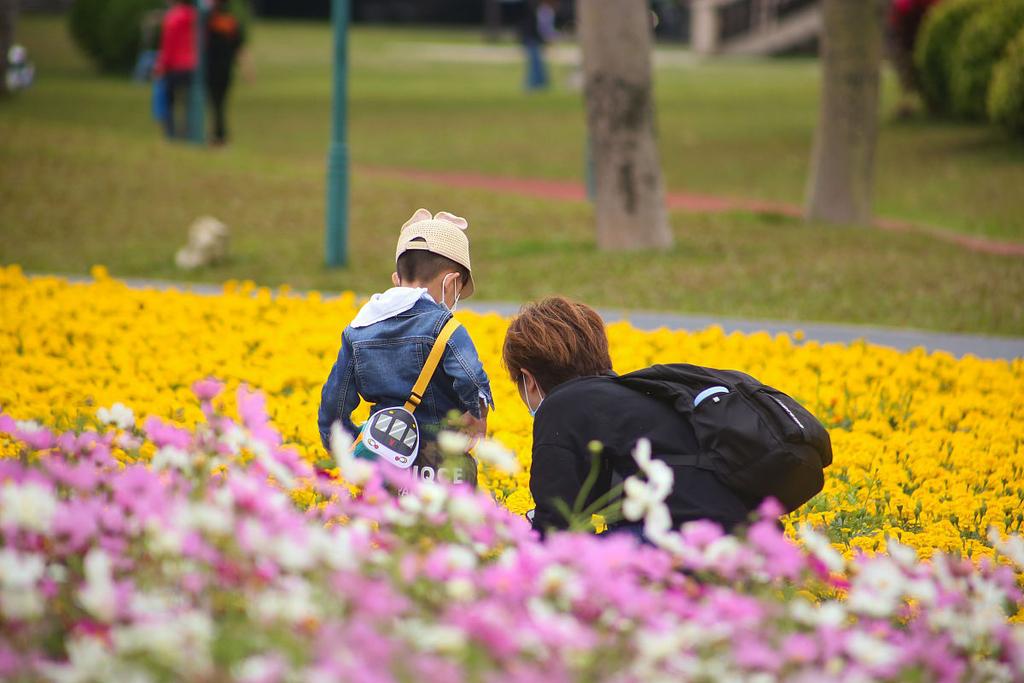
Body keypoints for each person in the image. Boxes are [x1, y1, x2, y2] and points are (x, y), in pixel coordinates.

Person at [501, 297, 760, 537]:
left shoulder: (560, 406)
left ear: (528, 379)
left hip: (689, 540)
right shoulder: (634, 394)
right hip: (746, 535)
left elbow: (555, 527)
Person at [318, 209, 494, 487]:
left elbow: (335, 402)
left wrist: (341, 441)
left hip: (385, 462)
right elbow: (472, 377)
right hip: (440, 467)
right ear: (451, 283)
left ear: (396, 280)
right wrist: (477, 414)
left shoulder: (359, 328)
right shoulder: (446, 328)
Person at [154, 0, 197, 139]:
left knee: (168, 102)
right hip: (192, 65)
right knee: (188, 103)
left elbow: (168, 45)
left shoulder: (173, 18)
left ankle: (170, 134)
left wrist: (162, 65)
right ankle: (188, 133)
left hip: (175, 66)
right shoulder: (195, 16)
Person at [205, 0, 245, 145]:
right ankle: (219, 135)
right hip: (225, 70)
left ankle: (217, 135)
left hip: (212, 69)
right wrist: (247, 70)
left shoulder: (209, 20)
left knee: (215, 103)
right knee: (219, 104)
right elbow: (239, 48)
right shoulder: (231, 21)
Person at [519, 0, 557, 91]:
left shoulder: (539, 9)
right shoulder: (544, 11)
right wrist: (550, 37)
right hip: (533, 39)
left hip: (532, 39)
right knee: (535, 63)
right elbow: (544, 28)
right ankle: (533, 84)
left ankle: (540, 83)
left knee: (536, 62)